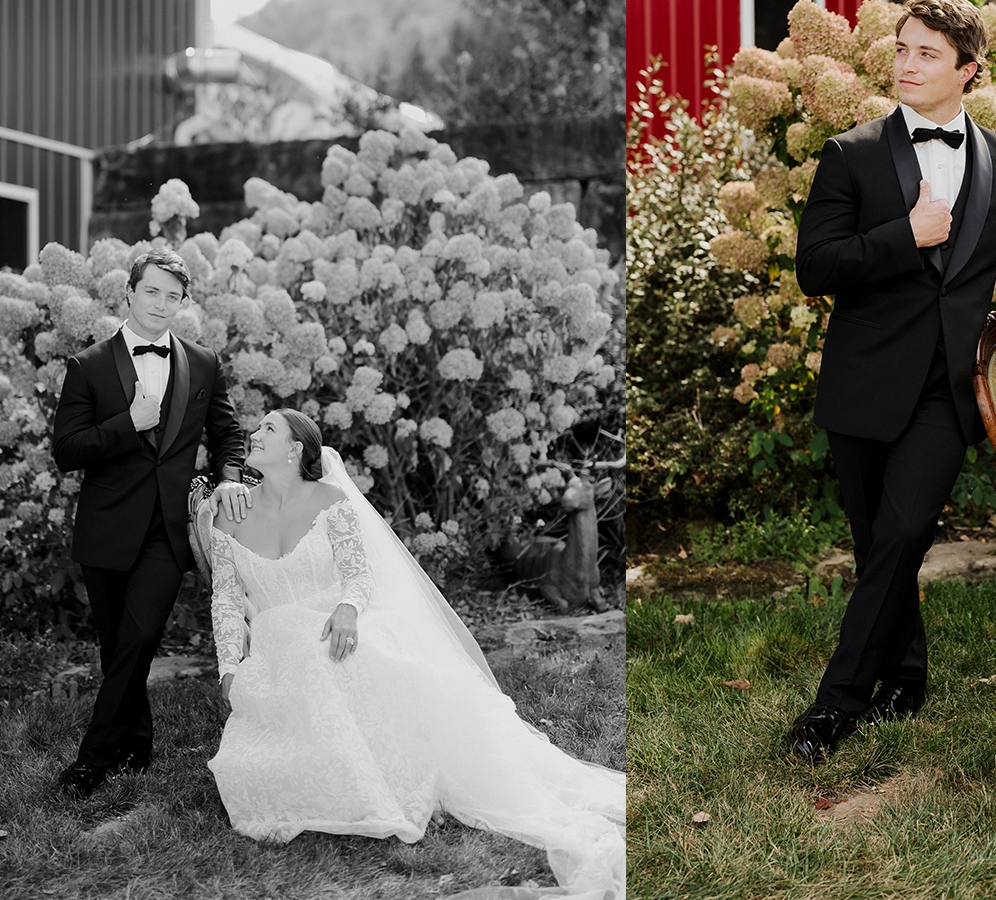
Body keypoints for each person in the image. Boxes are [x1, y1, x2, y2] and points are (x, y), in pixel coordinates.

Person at [786, 0, 996, 762]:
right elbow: (815, 267)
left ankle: (835, 705)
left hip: (950, 389)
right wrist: (900, 237)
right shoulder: (853, 153)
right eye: (902, 48)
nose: (906, 64)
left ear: (968, 69)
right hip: (863, 382)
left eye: (926, 54)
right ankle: (906, 678)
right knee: (881, 544)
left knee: (905, 529)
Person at [202, 410, 624, 899]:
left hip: (332, 632)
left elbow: (359, 575)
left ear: (296, 449)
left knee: (341, 662)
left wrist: (347, 607)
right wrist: (229, 669)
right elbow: (227, 603)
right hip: (278, 653)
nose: (253, 434)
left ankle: (380, 773)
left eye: (267, 429)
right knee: (255, 769)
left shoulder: (331, 501)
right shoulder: (230, 514)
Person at [49, 246, 250, 797]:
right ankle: (137, 742)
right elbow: (66, 450)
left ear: (183, 301)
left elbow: (227, 433)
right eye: (152, 292)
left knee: (139, 638)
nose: (162, 304)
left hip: (167, 528)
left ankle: (91, 760)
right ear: (131, 293)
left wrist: (230, 475)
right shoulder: (88, 366)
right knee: (117, 648)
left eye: (173, 296)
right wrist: (126, 423)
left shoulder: (203, 363)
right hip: (107, 527)